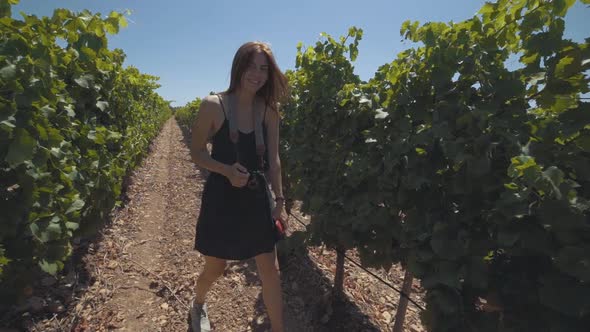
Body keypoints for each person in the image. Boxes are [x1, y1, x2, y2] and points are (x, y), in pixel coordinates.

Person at [189, 41, 289, 332]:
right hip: (221, 198)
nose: (257, 74)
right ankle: (198, 304)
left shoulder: (269, 110)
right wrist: (226, 171)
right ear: (238, 67)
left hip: (256, 197)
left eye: (263, 69)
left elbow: (274, 159)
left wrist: (280, 201)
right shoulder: (213, 105)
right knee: (215, 268)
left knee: (270, 270)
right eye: (251, 66)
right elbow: (196, 153)